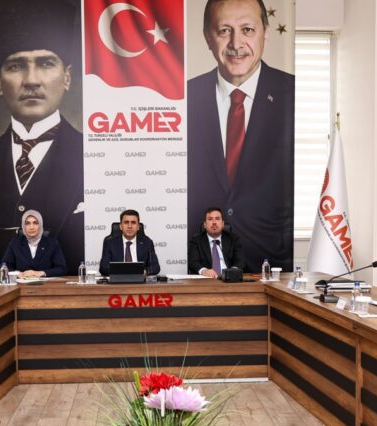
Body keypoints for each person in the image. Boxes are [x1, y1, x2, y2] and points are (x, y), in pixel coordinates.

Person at [0, 0, 83, 277]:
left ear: (67, 77)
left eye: (46, 64)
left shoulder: (91, 154)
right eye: (16, 66)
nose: (32, 80)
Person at [187, 0, 294, 273]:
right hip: (203, 267)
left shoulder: (293, 94)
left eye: (247, 29)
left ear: (265, 33)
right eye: (224, 30)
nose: (236, 43)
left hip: (272, 264)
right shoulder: (183, 98)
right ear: (207, 37)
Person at [1, 210, 67, 278]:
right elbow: (4, 267)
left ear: (40, 225)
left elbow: (62, 268)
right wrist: (18, 274)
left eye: (35, 223)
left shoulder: (52, 243)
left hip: (45, 284)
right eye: (27, 223)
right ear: (23, 226)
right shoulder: (15, 243)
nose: (31, 227)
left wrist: (41, 273)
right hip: (22, 283)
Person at [99, 210, 161, 276]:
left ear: (138, 227)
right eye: (126, 222)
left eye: (133, 223)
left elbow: (155, 267)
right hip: (118, 280)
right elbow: (103, 268)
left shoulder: (147, 242)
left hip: (140, 279)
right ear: (121, 226)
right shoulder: (110, 243)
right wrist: (124, 272)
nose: (130, 226)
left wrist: (142, 272)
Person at [188, 207, 245, 277]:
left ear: (223, 224)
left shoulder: (233, 239)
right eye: (210, 219)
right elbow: (193, 262)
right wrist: (204, 271)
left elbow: (240, 260)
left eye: (217, 219)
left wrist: (233, 272)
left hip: (229, 279)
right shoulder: (196, 240)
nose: (214, 222)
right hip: (208, 280)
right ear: (205, 224)